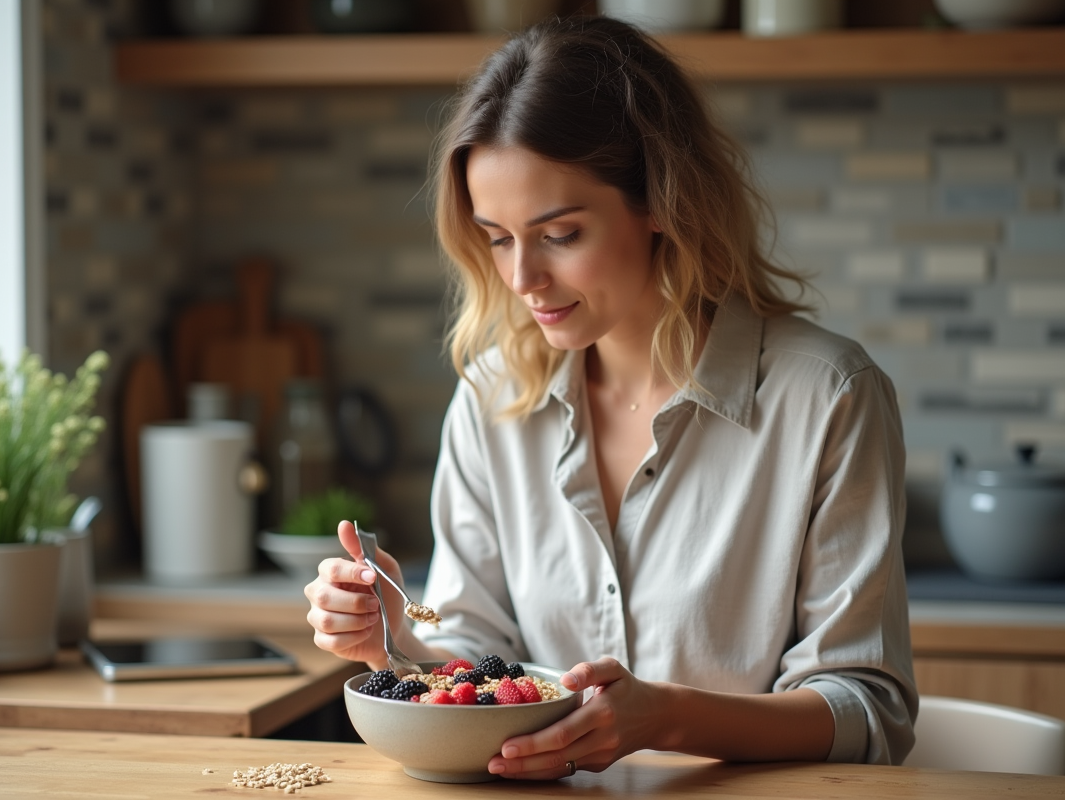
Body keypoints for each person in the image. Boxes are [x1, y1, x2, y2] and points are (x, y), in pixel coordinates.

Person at [305, 15, 917, 780]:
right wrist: (397, 636)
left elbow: (867, 708)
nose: (522, 278)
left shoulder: (828, 398)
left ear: (660, 200)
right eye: (497, 237)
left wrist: (664, 716)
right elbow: (473, 660)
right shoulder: (493, 399)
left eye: (559, 233)